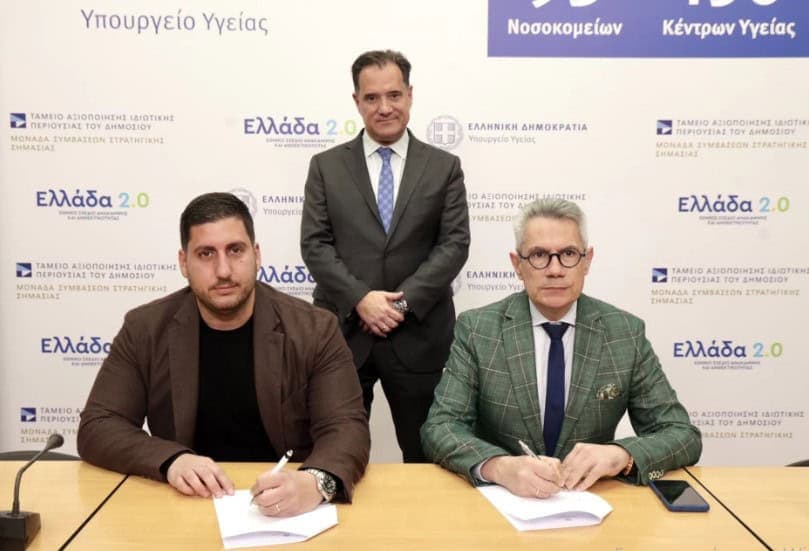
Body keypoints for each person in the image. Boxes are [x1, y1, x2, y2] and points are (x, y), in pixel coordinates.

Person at [78, 192, 370, 517]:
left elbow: (347, 427)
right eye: (206, 254)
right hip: (186, 503)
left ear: (256, 255)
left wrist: (315, 481)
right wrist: (171, 460)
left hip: (287, 505)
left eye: (235, 250)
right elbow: (99, 425)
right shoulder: (145, 328)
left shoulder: (315, 328)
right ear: (183, 263)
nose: (223, 270)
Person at [421, 198, 701, 498]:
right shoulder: (478, 329)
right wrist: (498, 467)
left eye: (568, 254)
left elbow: (682, 435)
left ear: (587, 260)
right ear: (517, 265)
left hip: (593, 501)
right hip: (503, 501)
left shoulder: (625, 333)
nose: (555, 270)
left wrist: (621, 455)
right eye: (539, 255)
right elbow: (440, 426)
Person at [300, 50, 470, 462]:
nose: (384, 107)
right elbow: (315, 244)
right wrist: (361, 299)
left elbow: (454, 244)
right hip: (343, 334)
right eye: (372, 98)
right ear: (356, 101)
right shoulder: (325, 167)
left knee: (428, 458)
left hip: (418, 337)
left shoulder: (444, 167)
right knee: (336, 454)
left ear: (410, 95)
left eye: (394, 95)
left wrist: (400, 304)